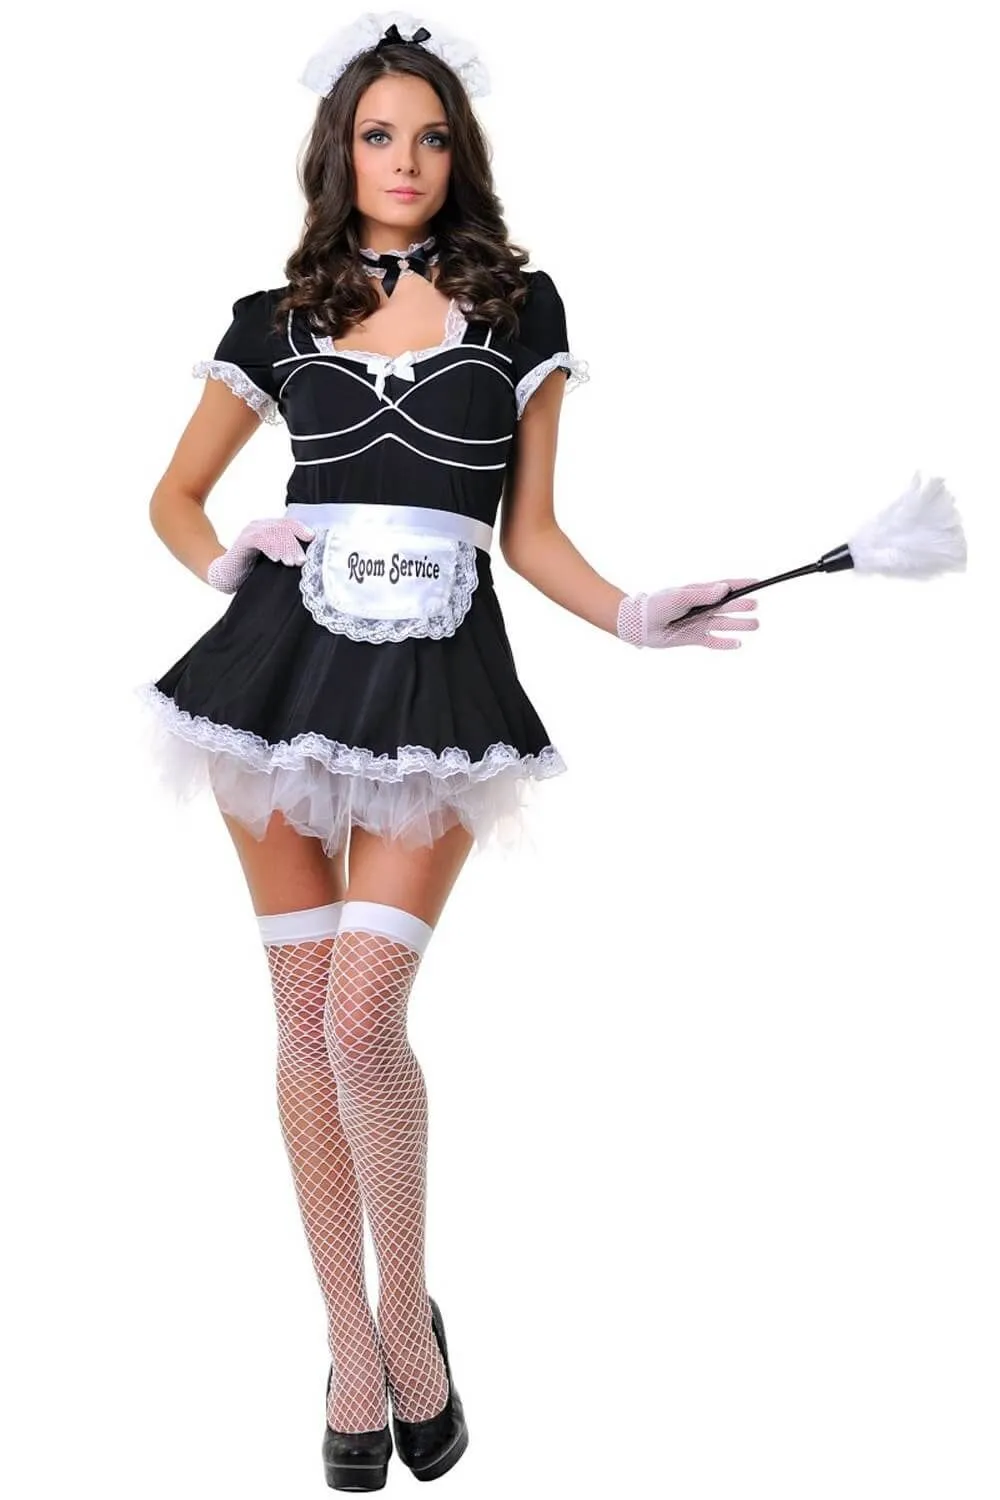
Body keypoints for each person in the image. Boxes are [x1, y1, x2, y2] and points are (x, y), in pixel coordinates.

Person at [135, 11, 760, 1489]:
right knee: (302, 1024)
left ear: (458, 153)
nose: (404, 161)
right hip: (275, 673)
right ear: (338, 151)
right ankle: (353, 1346)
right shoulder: (275, 316)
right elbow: (172, 495)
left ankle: (408, 1325)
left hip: (439, 688)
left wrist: (635, 615)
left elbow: (527, 532)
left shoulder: (517, 309)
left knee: (363, 1020)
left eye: (428, 137)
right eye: (378, 135)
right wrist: (229, 555)